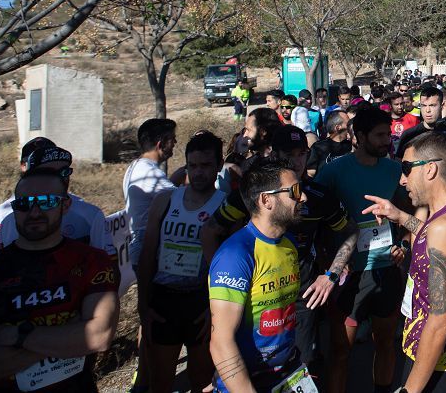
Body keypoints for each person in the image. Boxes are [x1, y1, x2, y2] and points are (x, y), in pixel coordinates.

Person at [362, 132, 446, 392]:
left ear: (430, 169)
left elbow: (440, 323)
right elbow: (436, 242)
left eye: (406, 169)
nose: (402, 179)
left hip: (443, 370)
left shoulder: (445, 226)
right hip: (437, 361)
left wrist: (410, 389)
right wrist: (399, 216)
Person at [0, 169, 119, 392]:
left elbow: (99, 336)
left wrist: (17, 336)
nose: (34, 212)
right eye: (24, 203)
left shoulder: (91, 261)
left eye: (47, 202)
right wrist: (68, 338)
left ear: (65, 205)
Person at [314, 107, 407, 393]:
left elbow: (411, 212)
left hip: (385, 269)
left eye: (388, 135)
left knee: (386, 342)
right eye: (379, 136)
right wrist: (329, 262)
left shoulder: (395, 170)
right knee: (341, 350)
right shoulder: (332, 172)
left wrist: (403, 244)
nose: (386, 141)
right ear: (360, 136)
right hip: (348, 274)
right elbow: (315, 221)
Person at [208, 159, 311, 391]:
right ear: (266, 200)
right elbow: (221, 341)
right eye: (295, 191)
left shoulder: (289, 244)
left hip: (288, 372)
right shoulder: (235, 255)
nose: (303, 198)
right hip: (249, 381)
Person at [137, 131, 226, 393]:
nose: (198, 173)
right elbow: (148, 253)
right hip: (164, 299)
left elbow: (227, 266)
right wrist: (143, 303)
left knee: (201, 382)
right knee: (160, 384)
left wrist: (215, 310)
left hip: (202, 301)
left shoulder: (226, 207)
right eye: (193, 166)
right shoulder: (166, 200)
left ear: (219, 166)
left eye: (206, 166)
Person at [0, 143, 115, 259]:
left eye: (65, 172)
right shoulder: (3, 216)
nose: (61, 177)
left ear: (66, 206)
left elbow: (109, 263)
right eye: (50, 172)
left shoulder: (90, 214)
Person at [124, 118, 182, 270]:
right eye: (172, 138)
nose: (175, 142)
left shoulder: (137, 166)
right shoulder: (150, 173)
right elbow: (181, 200)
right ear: (161, 143)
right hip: (149, 247)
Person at [307, 110, 352, 175]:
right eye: (348, 123)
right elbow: (310, 173)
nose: (350, 126)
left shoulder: (351, 145)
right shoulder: (318, 147)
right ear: (338, 128)